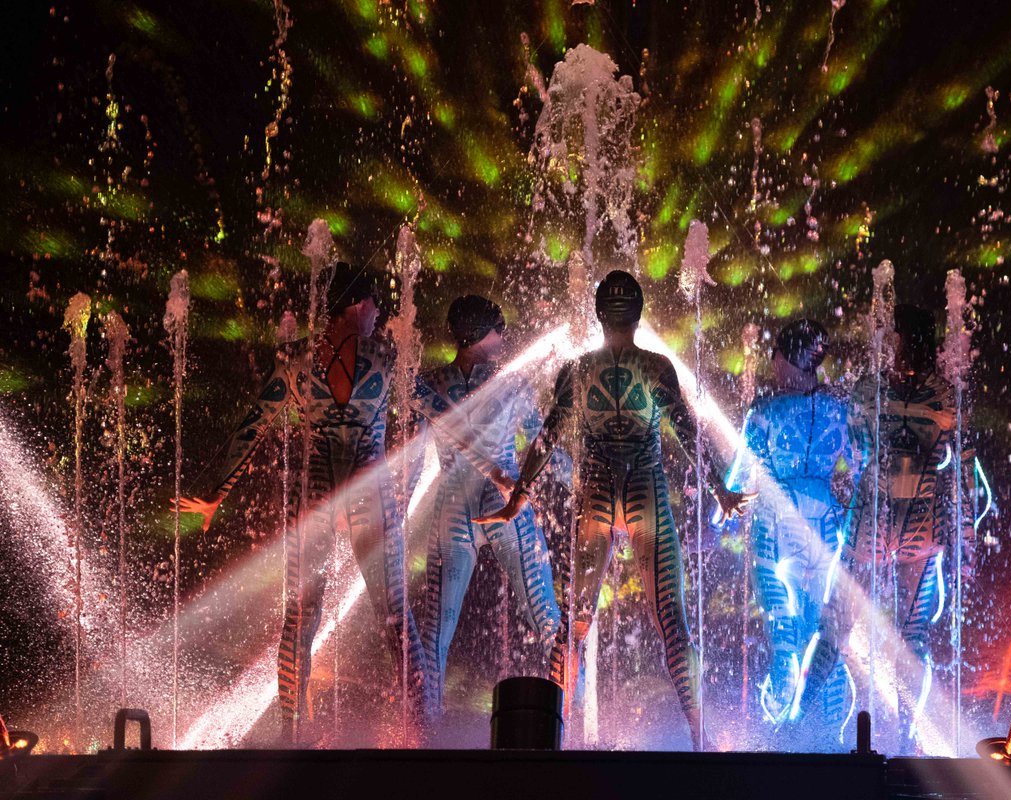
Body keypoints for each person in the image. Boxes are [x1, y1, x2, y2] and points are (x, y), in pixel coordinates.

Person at [475, 270, 754, 751]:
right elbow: (687, 434)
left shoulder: (579, 369)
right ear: (639, 315)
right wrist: (719, 492)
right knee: (672, 621)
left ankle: (552, 743)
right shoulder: (656, 367)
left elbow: (547, 438)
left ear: (598, 314)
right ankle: (701, 739)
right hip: (645, 490)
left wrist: (519, 495)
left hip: (598, 494)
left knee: (574, 623)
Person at [174, 262, 427, 742]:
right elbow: (433, 410)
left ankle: (290, 737)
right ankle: (422, 730)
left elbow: (252, 427)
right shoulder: (387, 355)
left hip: (314, 496)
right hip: (368, 495)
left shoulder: (293, 361)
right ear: (363, 304)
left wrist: (214, 497)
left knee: (301, 617)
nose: (376, 317)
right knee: (395, 616)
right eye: (374, 307)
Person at [407, 295, 562, 715]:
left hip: (453, 503)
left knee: (435, 629)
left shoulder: (427, 384)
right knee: (545, 613)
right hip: (505, 498)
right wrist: (578, 481)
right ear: (478, 336)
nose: (503, 336)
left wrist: (396, 508)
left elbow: (410, 456)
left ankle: (426, 731)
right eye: (497, 328)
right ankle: (567, 718)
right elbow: (543, 443)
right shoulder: (511, 383)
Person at [850, 304, 975, 754]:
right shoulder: (928, 393)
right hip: (893, 523)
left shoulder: (936, 394)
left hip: (913, 527)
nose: (890, 343)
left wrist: (964, 533)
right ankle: (814, 724)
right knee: (838, 621)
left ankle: (906, 734)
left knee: (912, 634)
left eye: (894, 335)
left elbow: (962, 464)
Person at [730, 319, 865, 733]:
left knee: (784, 635)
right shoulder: (840, 411)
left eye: (777, 355)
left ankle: (780, 730)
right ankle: (827, 734)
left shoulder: (766, 412)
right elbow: (862, 468)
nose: (771, 363)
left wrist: (714, 521)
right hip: (826, 524)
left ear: (789, 359)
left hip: (776, 523)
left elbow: (736, 478)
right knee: (822, 633)